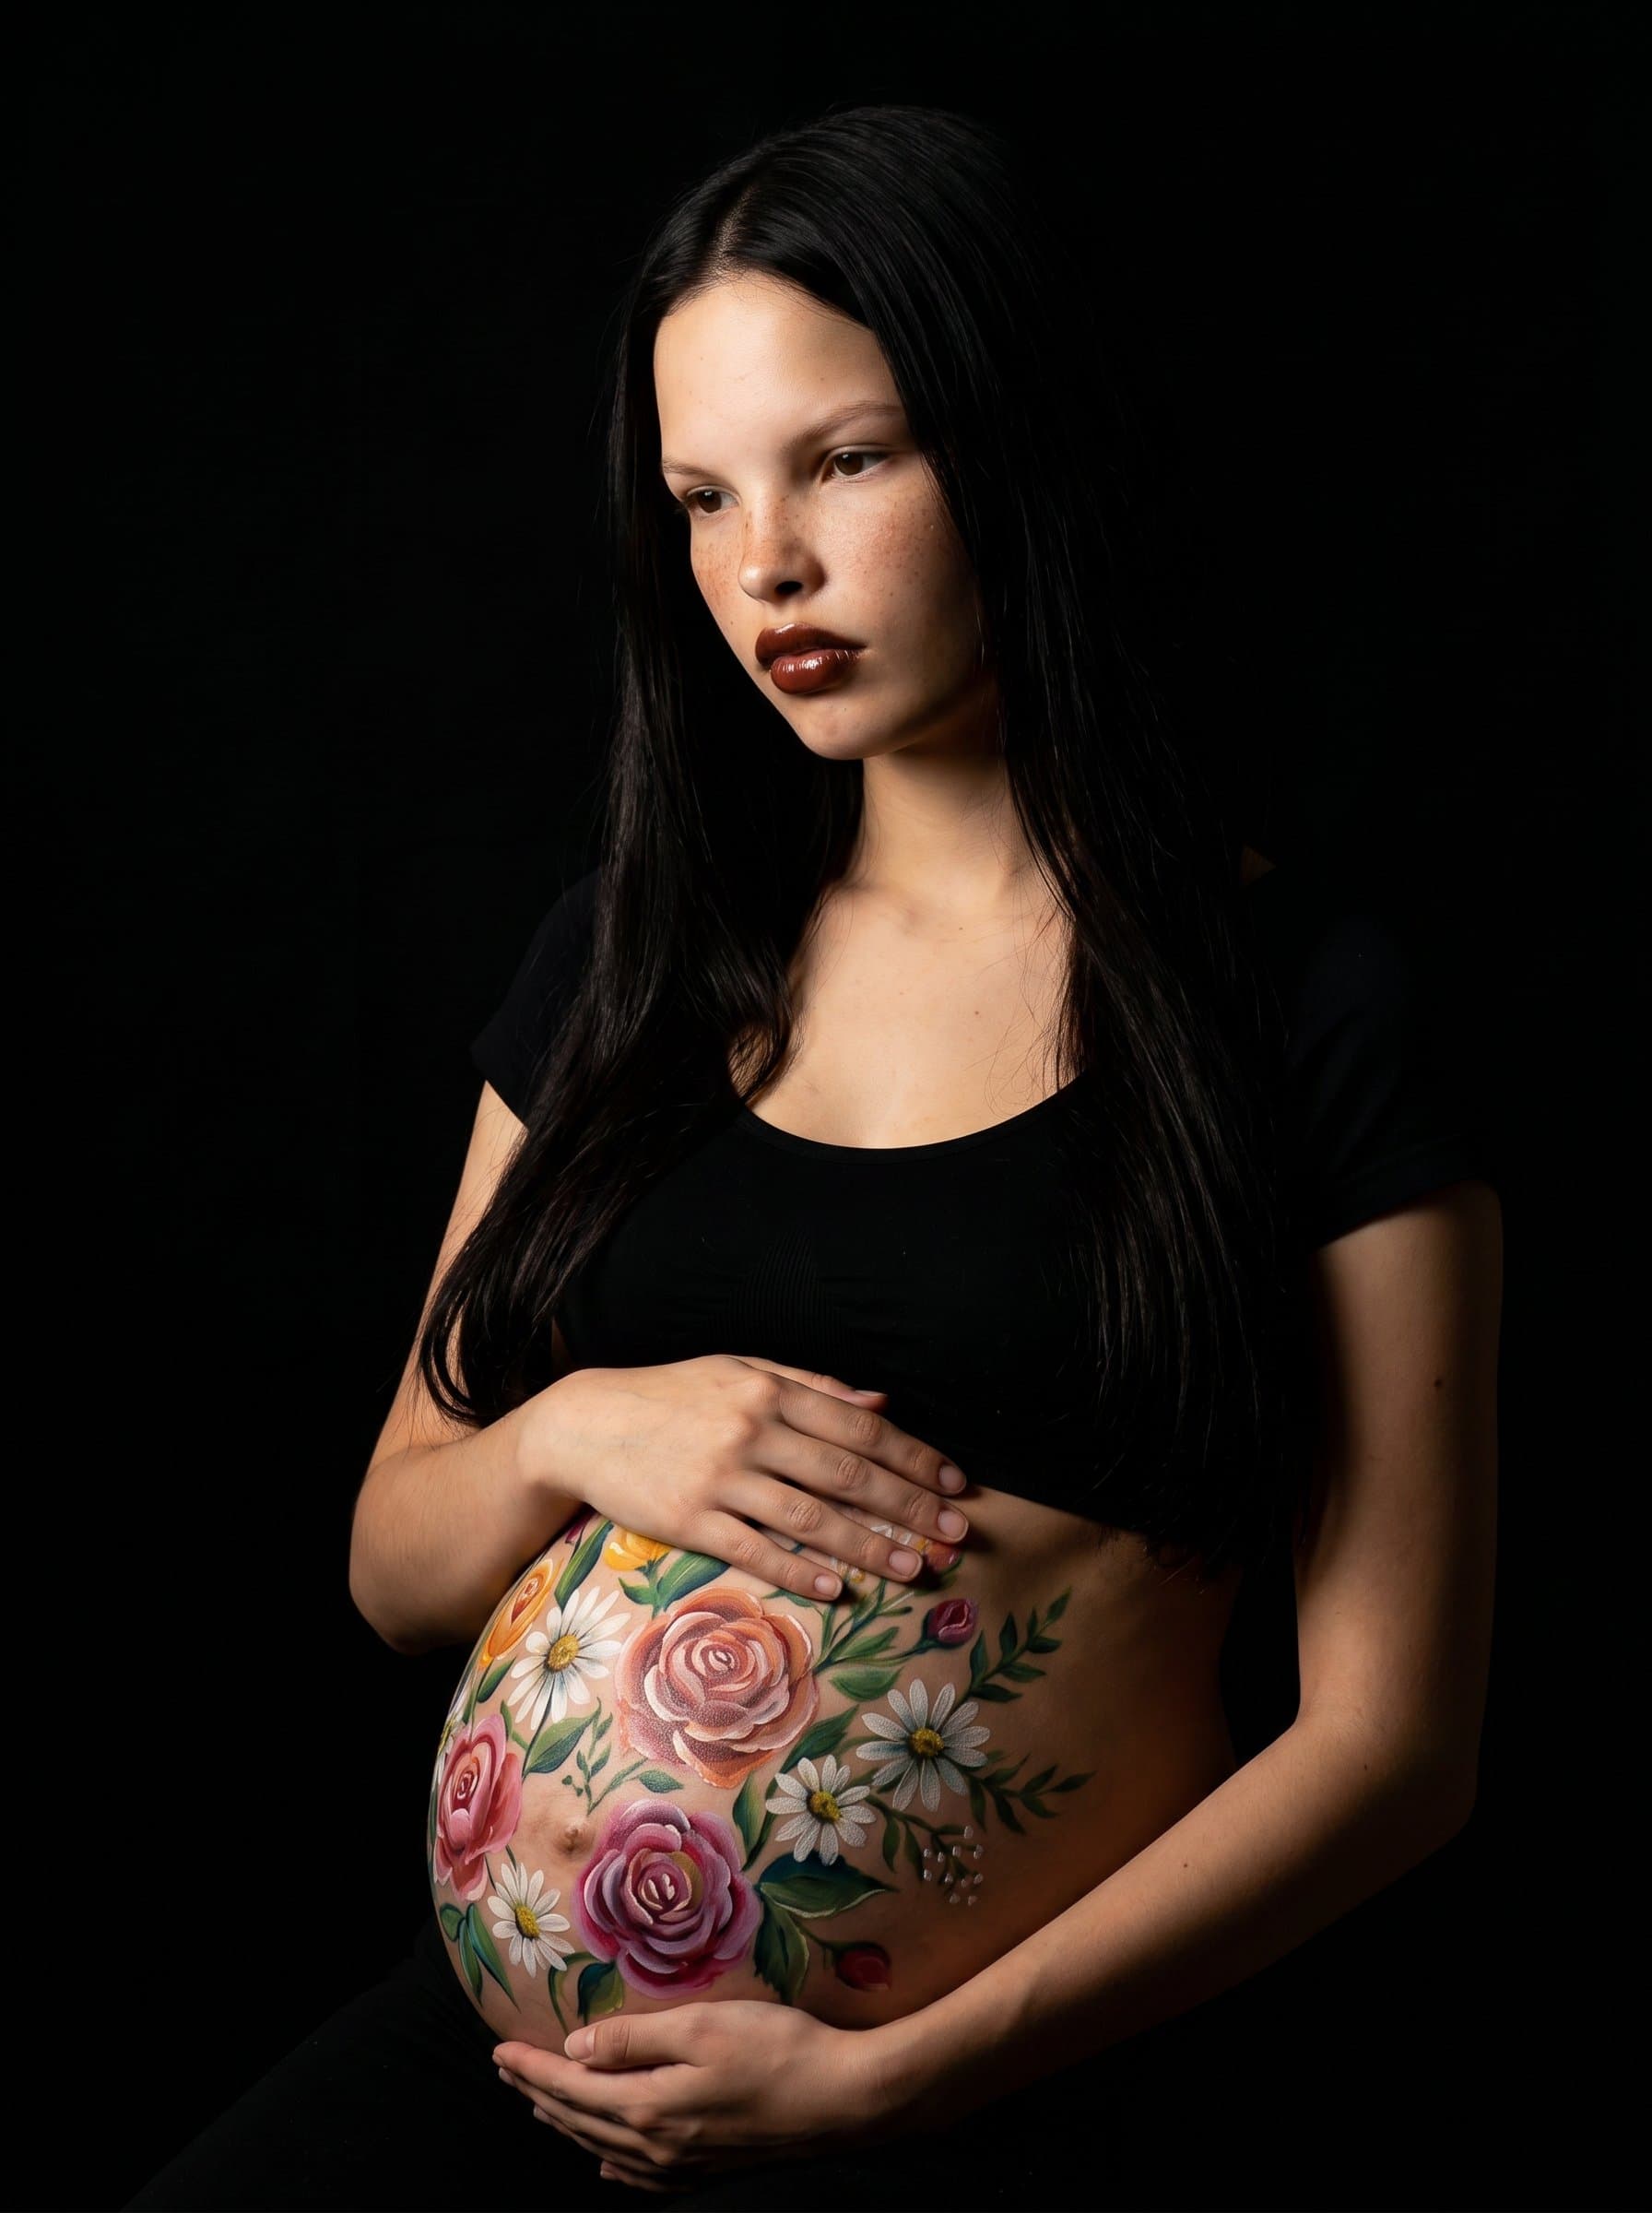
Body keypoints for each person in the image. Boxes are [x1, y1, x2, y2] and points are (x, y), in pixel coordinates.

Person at [127, 101, 1503, 2211]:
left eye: (843, 461)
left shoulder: (1297, 1006)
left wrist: (906, 2082)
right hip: (519, 2080)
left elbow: (1391, 1744)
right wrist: (578, 1428)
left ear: (1014, 440)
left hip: (998, 2091)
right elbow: (395, 1563)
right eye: (698, 497)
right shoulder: (623, 963)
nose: (760, 563)